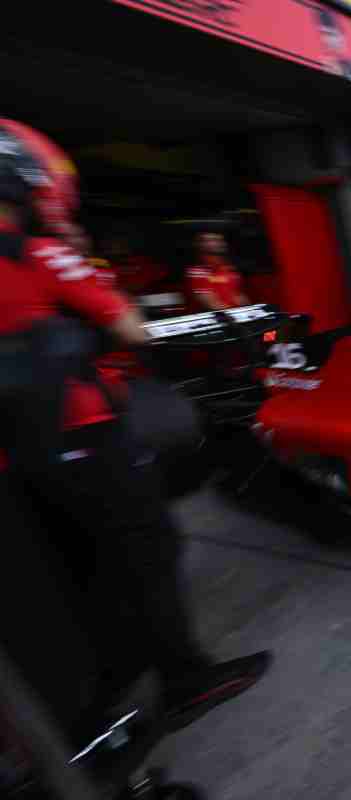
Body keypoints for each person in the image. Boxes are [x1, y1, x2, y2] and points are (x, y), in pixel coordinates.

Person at [0, 118, 270, 744]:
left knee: (75, 575)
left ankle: (108, 697)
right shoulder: (40, 252)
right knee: (148, 553)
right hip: (89, 434)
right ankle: (183, 681)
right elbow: (131, 327)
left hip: (24, 460)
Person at [185, 230, 248, 312]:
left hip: (234, 315)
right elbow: (210, 302)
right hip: (217, 318)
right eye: (211, 240)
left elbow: (237, 296)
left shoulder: (229, 269)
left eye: (219, 240)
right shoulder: (197, 272)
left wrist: (248, 310)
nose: (218, 243)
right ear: (201, 245)